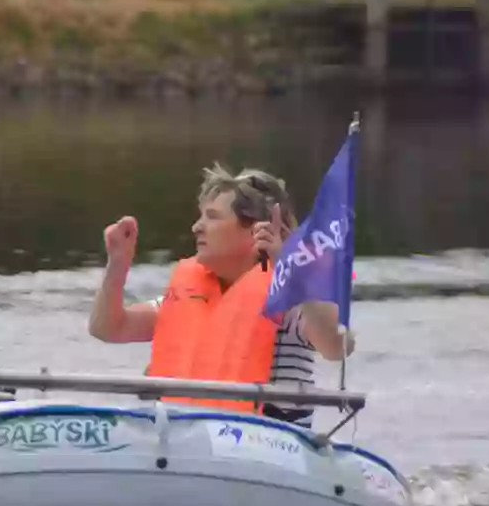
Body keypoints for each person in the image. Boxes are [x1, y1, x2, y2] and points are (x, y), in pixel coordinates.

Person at [87, 165, 353, 419]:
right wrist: (118, 263)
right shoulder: (185, 296)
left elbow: (337, 346)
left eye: (212, 217)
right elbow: (108, 328)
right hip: (188, 442)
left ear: (256, 229)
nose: (196, 227)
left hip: (267, 446)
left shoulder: (291, 300)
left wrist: (294, 272)